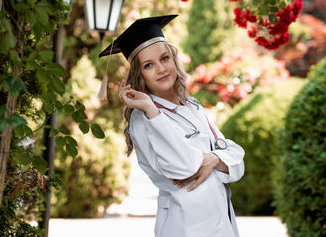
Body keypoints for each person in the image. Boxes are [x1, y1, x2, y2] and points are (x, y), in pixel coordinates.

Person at [99, 14, 245, 237]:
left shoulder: (192, 106)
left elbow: (236, 158)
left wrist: (214, 159)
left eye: (164, 58)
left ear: (174, 59)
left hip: (221, 225)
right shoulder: (144, 118)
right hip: (185, 226)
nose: (161, 68)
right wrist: (151, 110)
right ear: (140, 75)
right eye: (149, 65)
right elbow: (185, 167)